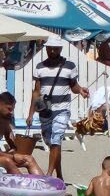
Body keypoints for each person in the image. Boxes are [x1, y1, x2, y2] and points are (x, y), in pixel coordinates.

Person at [25, 35, 90, 180]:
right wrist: (30, 114)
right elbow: (36, 92)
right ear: (46, 49)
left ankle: (49, 175)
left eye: (55, 49)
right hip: (45, 110)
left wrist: (80, 90)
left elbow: (73, 86)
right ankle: (59, 176)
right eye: (50, 49)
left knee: (56, 140)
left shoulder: (70, 66)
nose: (53, 51)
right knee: (51, 142)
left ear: (60, 49)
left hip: (62, 109)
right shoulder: (40, 67)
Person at [0, 91, 43, 174]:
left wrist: (13, 148)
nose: (11, 112)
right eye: (9, 109)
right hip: (3, 158)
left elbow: (9, 133)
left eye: (12, 109)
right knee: (7, 161)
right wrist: (13, 156)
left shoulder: (4, 120)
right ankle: (23, 185)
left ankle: (43, 184)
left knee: (28, 159)